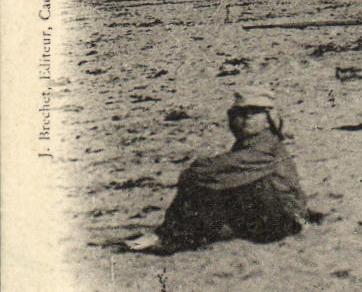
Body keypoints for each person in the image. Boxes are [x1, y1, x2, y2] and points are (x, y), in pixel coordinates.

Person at [121, 89, 309, 254]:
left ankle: (169, 238)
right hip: (275, 217)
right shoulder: (251, 144)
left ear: (268, 120)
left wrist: (193, 172)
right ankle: (171, 234)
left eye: (254, 113)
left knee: (207, 185)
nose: (246, 118)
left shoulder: (265, 147)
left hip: (286, 222)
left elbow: (210, 170)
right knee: (211, 183)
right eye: (241, 113)